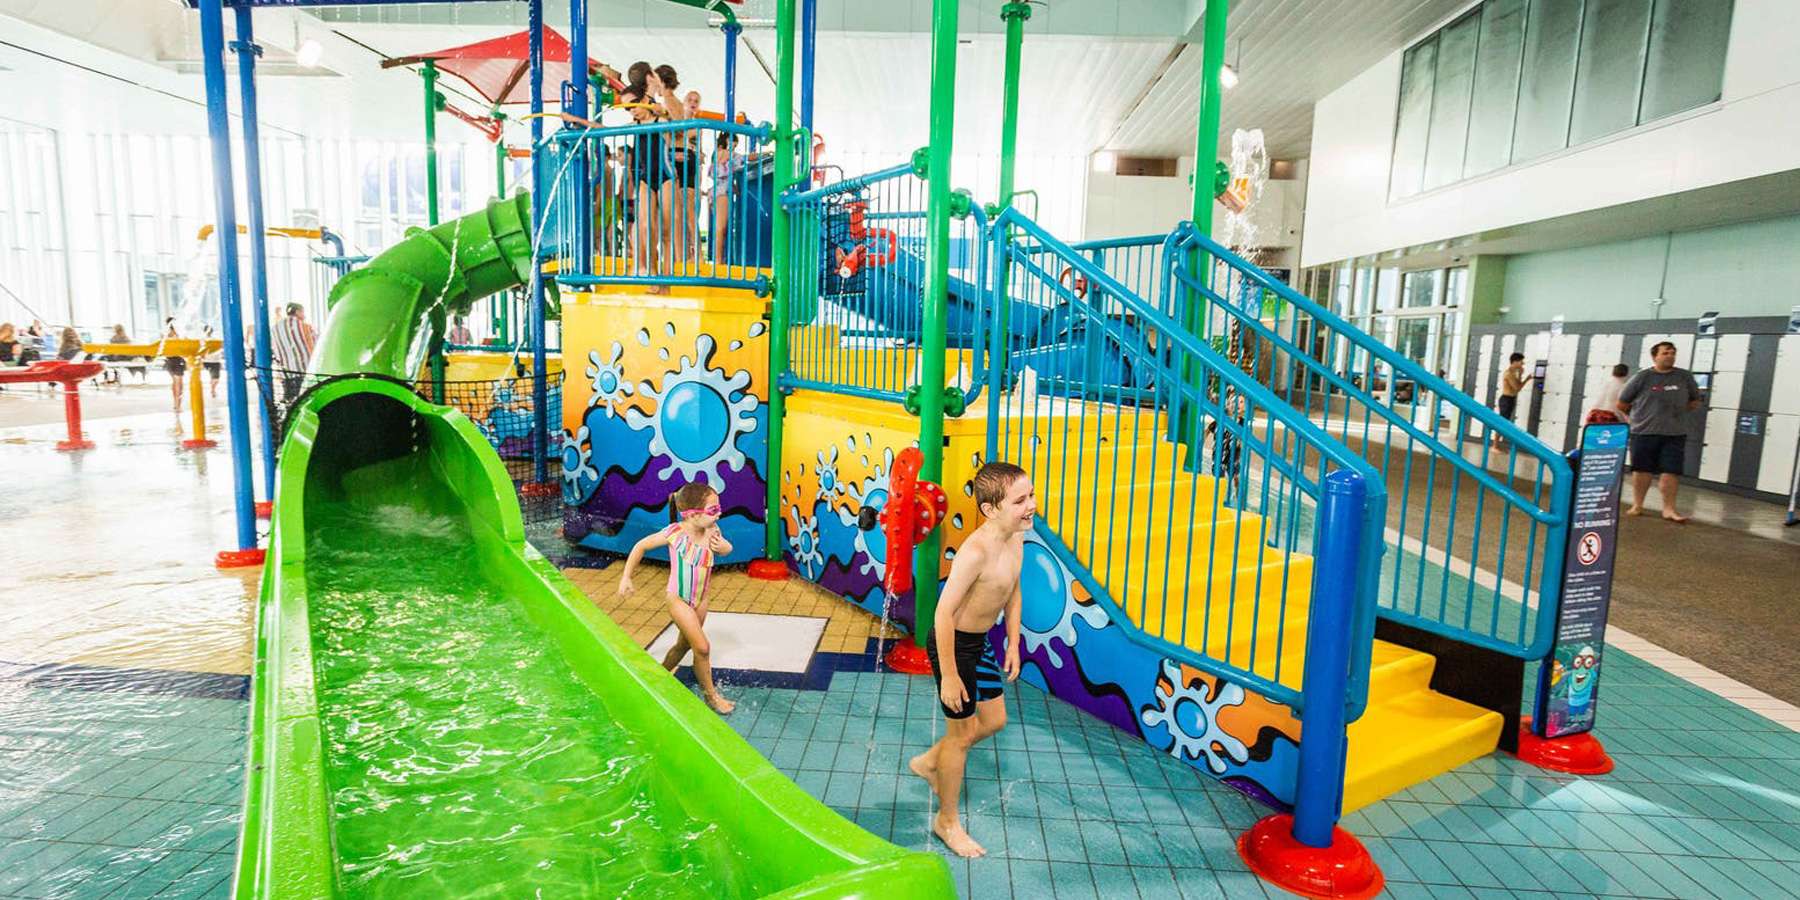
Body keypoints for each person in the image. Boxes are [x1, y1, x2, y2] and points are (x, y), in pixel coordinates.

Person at [908, 461, 1032, 859]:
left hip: (981, 643)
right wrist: (948, 676)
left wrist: (1013, 643)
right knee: (960, 738)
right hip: (953, 645)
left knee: (995, 721)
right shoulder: (975, 552)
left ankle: (931, 761)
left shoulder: (1016, 538)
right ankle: (946, 821)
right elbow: (942, 614)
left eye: (1030, 496)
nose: (1031, 505)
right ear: (990, 509)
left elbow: (1012, 591)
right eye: (1020, 500)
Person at [617, 482, 736, 715]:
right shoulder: (675, 534)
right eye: (713, 510)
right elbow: (641, 546)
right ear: (690, 515)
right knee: (702, 648)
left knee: (683, 645)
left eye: (718, 507)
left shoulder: (713, 529)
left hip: (701, 600)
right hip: (678, 599)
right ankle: (711, 696)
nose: (719, 513)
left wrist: (724, 547)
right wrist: (626, 577)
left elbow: (726, 549)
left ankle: (660, 677)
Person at [1620, 341, 1702, 523]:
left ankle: (1669, 509)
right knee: (1642, 470)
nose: (1670, 356)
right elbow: (1622, 403)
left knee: (1671, 471)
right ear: (1655, 356)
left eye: (1673, 352)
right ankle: (1638, 505)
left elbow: (1695, 400)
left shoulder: (1684, 377)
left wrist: (1677, 412)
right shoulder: (1642, 377)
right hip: (1644, 432)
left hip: (1674, 433)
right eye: (1665, 353)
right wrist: (1639, 417)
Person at [271, 302, 317, 405]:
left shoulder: (275, 328)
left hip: (286, 373)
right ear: (297, 312)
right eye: (303, 312)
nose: (304, 315)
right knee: (305, 401)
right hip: (303, 372)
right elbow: (316, 345)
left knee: (290, 402)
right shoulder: (305, 327)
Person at [708, 132, 742, 262]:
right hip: (721, 192)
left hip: (716, 191)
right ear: (728, 140)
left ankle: (719, 259)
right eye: (734, 142)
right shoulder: (724, 153)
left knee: (721, 227)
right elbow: (745, 158)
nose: (735, 146)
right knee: (720, 227)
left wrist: (734, 188)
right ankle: (718, 260)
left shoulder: (716, 154)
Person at [161, 318, 187, 420]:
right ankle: (177, 404)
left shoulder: (173, 334)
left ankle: (177, 404)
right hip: (173, 360)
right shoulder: (169, 334)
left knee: (177, 383)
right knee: (178, 383)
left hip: (173, 359)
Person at [201, 325, 223, 398]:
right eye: (207, 330)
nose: (209, 332)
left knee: (216, 379)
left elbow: (220, 348)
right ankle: (212, 390)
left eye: (210, 330)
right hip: (206, 361)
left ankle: (212, 389)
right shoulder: (202, 340)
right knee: (213, 377)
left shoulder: (216, 339)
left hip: (215, 360)